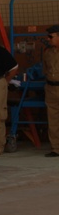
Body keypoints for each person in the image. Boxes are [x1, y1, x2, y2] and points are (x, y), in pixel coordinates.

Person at [45, 25, 59, 158]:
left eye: (51, 36)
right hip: (51, 88)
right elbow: (45, 69)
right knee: (53, 118)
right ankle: (56, 148)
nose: (48, 39)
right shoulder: (48, 52)